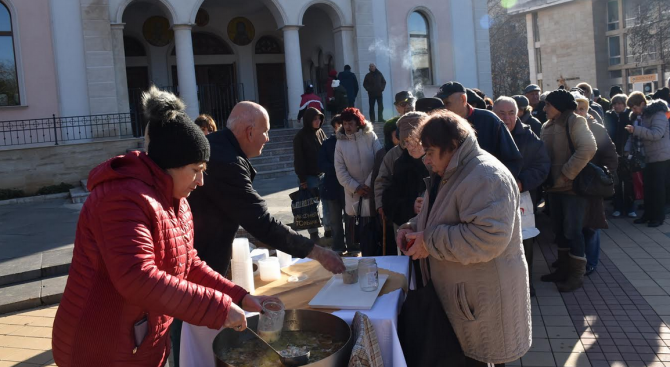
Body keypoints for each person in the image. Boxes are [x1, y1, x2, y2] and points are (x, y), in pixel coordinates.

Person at [52, 87, 276, 367]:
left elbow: (188, 263)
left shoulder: (177, 200)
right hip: (98, 348)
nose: (201, 181)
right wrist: (217, 308)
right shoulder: (120, 198)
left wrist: (240, 296)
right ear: (170, 165)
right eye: (196, 170)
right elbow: (138, 277)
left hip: (141, 345)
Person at [397, 111, 531, 366]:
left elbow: (486, 238)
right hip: (464, 301)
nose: (425, 160)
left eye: (429, 152)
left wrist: (428, 242)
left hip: (479, 304)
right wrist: (411, 227)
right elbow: (439, 215)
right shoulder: (453, 171)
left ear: (453, 146)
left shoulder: (485, 175)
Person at [188, 101, 345, 278]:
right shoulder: (227, 162)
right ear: (250, 132)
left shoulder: (219, 146)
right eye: (266, 131)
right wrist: (317, 252)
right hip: (198, 266)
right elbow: (261, 222)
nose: (268, 138)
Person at [540, 89, 597, 292]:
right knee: (559, 230)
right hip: (554, 188)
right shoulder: (547, 125)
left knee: (573, 231)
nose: (544, 108)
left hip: (572, 188)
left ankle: (576, 276)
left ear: (559, 105)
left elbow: (589, 148)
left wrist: (566, 174)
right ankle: (563, 269)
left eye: (548, 104)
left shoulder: (575, 121)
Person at [493, 96, 550, 296]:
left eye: (511, 113)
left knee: (524, 243)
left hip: (522, 198)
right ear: (494, 113)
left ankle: (526, 284)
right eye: (502, 113)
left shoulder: (529, 137)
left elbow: (542, 166)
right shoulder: (486, 135)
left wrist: (522, 182)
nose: (507, 118)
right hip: (492, 199)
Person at [436, 81, 523, 177]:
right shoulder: (440, 124)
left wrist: (495, 185)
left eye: (447, 103)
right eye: (441, 104)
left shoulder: (489, 120)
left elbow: (513, 161)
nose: (443, 109)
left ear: (463, 99)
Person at [573, 92, 618, 276]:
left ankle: (591, 261)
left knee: (592, 225)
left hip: (592, 184)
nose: (578, 112)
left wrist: (605, 175)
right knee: (576, 225)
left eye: (582, 108)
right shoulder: (566, 127)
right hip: (573, 184)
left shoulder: (596, 128)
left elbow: (611, 155)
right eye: (575, 108)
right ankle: (576, 260)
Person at [334, 107, 383, 255]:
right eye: (345, 123)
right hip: (354, 194)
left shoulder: (370, 136)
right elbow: (340, 170)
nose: (347, 127)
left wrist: (368, 184)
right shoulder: (340, 143)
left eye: (350, 123)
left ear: (358, 123)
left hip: (373, 190)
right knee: (362, 234)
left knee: (377, 231)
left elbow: (379, 160)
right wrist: (356, 187)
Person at [382, 112, 429, 241]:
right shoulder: (401, 163)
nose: (410, 146)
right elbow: (389, 200)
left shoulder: (441, 162)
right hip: (410, 233)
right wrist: (411, 205)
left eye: (414, 140)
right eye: (405, 142)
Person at [626, 93, 670, 228]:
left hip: (660, 156)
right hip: (646, 156)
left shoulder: (658, 114)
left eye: (635, 108)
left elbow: (656, 134)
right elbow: (633, 137)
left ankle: (658, 217)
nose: (633, 111)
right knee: (648, 189)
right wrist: (627, 150)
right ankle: (648, 215)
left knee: (657, 189)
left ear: (642, 104)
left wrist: (636, 130)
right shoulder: (640, 116)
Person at [293, 107, 329, 240]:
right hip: (308, 176)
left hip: (322, 174)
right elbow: (299, 159)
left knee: (327, 203)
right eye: (315, 119)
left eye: (319, 118)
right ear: (308, 120)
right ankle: (313, 233)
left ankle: (328, 229)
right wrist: (302, 179)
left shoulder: (320, 132)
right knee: (311, 205)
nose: (318, 121)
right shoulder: (300, 137)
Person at [319, 115, 347, 253]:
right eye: (338, 125)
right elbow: (322, 164)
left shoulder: (351, 141)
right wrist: (338, 169)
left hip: (348, 187)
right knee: (335, 221)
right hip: (332, 186)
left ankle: (353, 245)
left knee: (350, 219)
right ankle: (338, 246)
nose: (341, 128)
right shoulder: (328, 143)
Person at [605, 94, 635, 218]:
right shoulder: (609, 116)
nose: (617, 106)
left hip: (627, 153)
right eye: (615, 104)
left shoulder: (630, 116)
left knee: (628, 182)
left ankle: (630, 208)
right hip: (613, 153)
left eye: (620, 103)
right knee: (616, 182)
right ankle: (618, 207)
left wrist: (629, 151)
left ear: (625, 104)